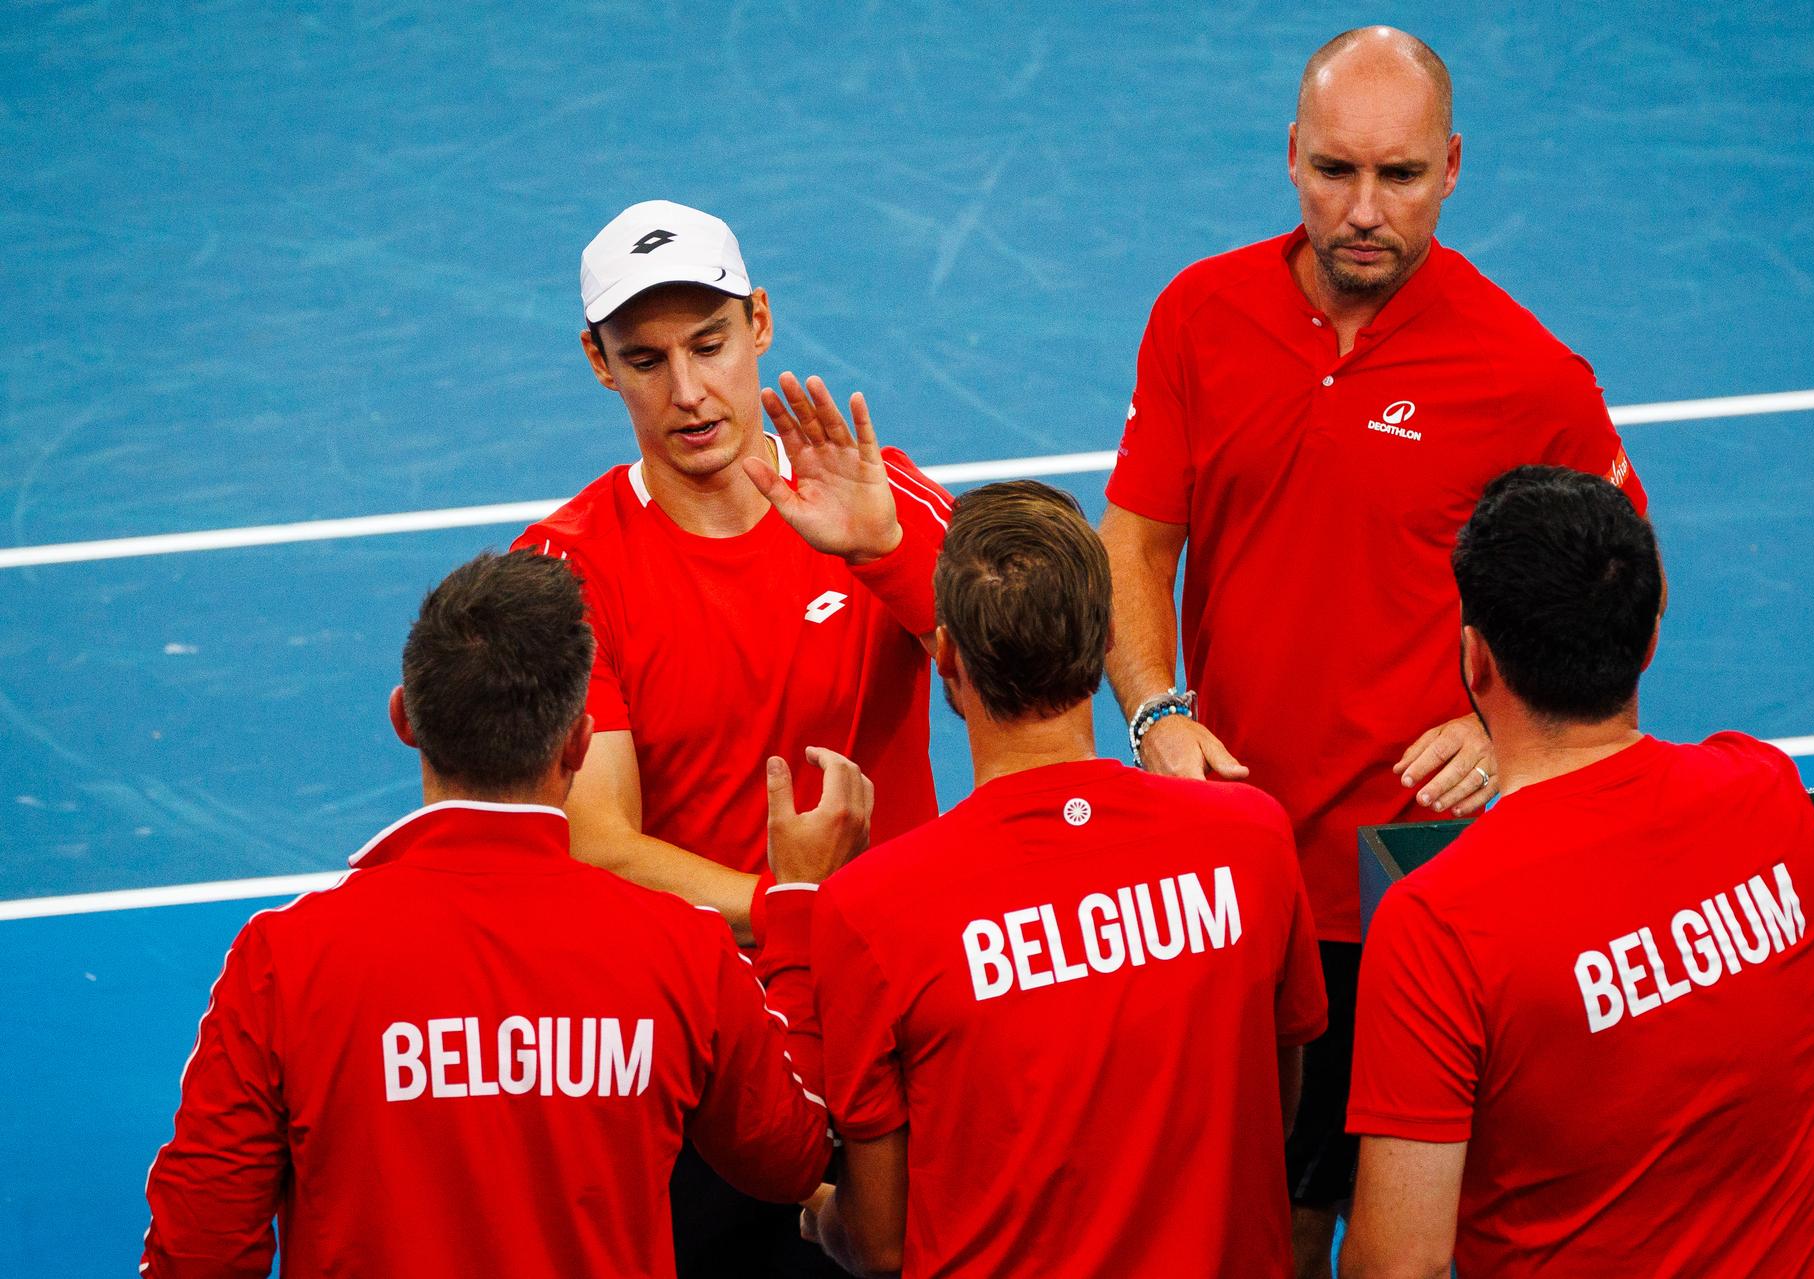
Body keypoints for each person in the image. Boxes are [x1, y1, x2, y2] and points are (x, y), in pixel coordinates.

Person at [1098, 27, 1649, 1270]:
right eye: (1336, 171)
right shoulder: (1198, 314)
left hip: (1410, 886)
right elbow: (1135, 542)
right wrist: (1153, 708)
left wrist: (1496, 730)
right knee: (1256, 1208)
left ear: (1451, 168)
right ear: (1291, 157)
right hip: (1234, 860)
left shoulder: (1527, 370)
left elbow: (1622, 582)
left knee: (1410, 1215)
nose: (1363, 211)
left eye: (1398, 178)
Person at [141, 550, 868, 1278]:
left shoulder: (284, 958)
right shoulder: (682, 948)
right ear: (581, 742)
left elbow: (198, 1250)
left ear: (404, 718)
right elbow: (793, 1154)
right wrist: (797, 909)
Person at [513, 200, 952, 1274]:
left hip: (902, 1019)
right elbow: (597, 842)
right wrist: (795, 910)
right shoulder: (567, 569)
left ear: (760, 322)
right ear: (598, 362)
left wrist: (886, 552)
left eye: (710, 346)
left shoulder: (878, 497)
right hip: (708, 1044)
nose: (690, 392)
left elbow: (1029, 681)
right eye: (647, 359)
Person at [1340, 466, 1814, 1278]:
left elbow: (1398, 1266)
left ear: (1475, 660)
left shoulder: (1439, 924)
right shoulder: (1767, 789)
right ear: (1650, 638)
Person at [803, 481, 1327, 1277]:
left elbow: (880, 1241)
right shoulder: (1252, 837)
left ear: (946, 654)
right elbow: (1274, 1108)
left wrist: (814, 1216)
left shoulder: (870, 905)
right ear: (1107, 632)